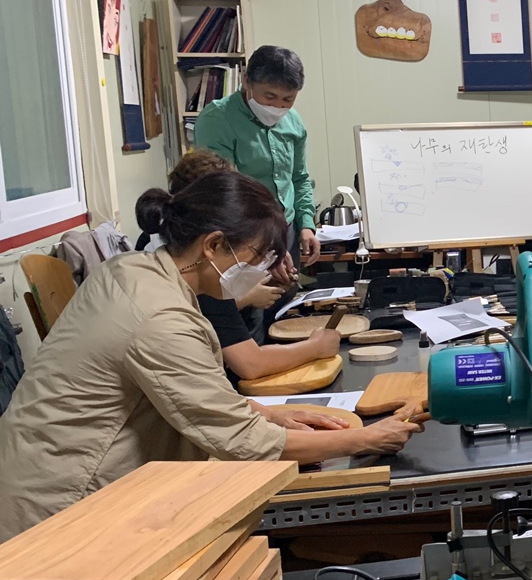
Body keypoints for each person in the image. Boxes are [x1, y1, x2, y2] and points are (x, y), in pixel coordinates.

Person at [0, 170, 421, 542]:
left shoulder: (130, 270)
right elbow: (244, 443)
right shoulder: (159, 317)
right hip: (60, 508)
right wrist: (364, 438)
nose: (261, 270)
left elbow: (178, 389)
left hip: (34, 473)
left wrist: (267, 413)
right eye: (257, 257)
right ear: (214, 245)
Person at [138, 150, 340, 387]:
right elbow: (249, 363)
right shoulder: (198, 276)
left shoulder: (171, 255)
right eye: (255, 252)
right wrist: (315, 347)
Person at [193, 45, 318, 276]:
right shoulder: (217, 119)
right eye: (269, 97)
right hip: (242, 236)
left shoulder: (293, 121)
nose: (278, 106)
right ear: (246, 81)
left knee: (286, 293)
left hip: (286, 228)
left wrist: (307, 224)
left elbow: (299, 178)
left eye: (288, 99)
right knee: (253, 297)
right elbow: (224, 193)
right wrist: (262, 248)